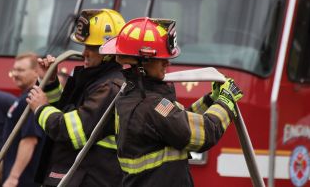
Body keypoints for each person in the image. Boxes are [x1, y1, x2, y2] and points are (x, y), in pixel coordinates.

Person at [99, 17, 243, 186]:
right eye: (161, 58)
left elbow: (178, 122)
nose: (167, 63)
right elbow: (204, 134)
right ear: (142, 63)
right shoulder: (151, 105)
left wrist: (210, 100)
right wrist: (227, 101)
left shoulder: (134, 96)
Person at [26, 9, 126, 186]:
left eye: (92, 48)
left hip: (91, 178)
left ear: (109, 51)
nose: (84, 53)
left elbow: (75, 132)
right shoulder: (94, 79)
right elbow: (64, 111)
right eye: (84, 46)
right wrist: (49, 82)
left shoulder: (111, 87)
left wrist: (41, 109)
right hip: (75, 175)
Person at [2, 53, 44, 187]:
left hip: (24, 180)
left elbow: (29, 140)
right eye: (14, 70)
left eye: (20, 70)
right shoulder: (26, 98)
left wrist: (13, 177)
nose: (15, 74)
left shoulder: (31, 100)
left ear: (36, 72)